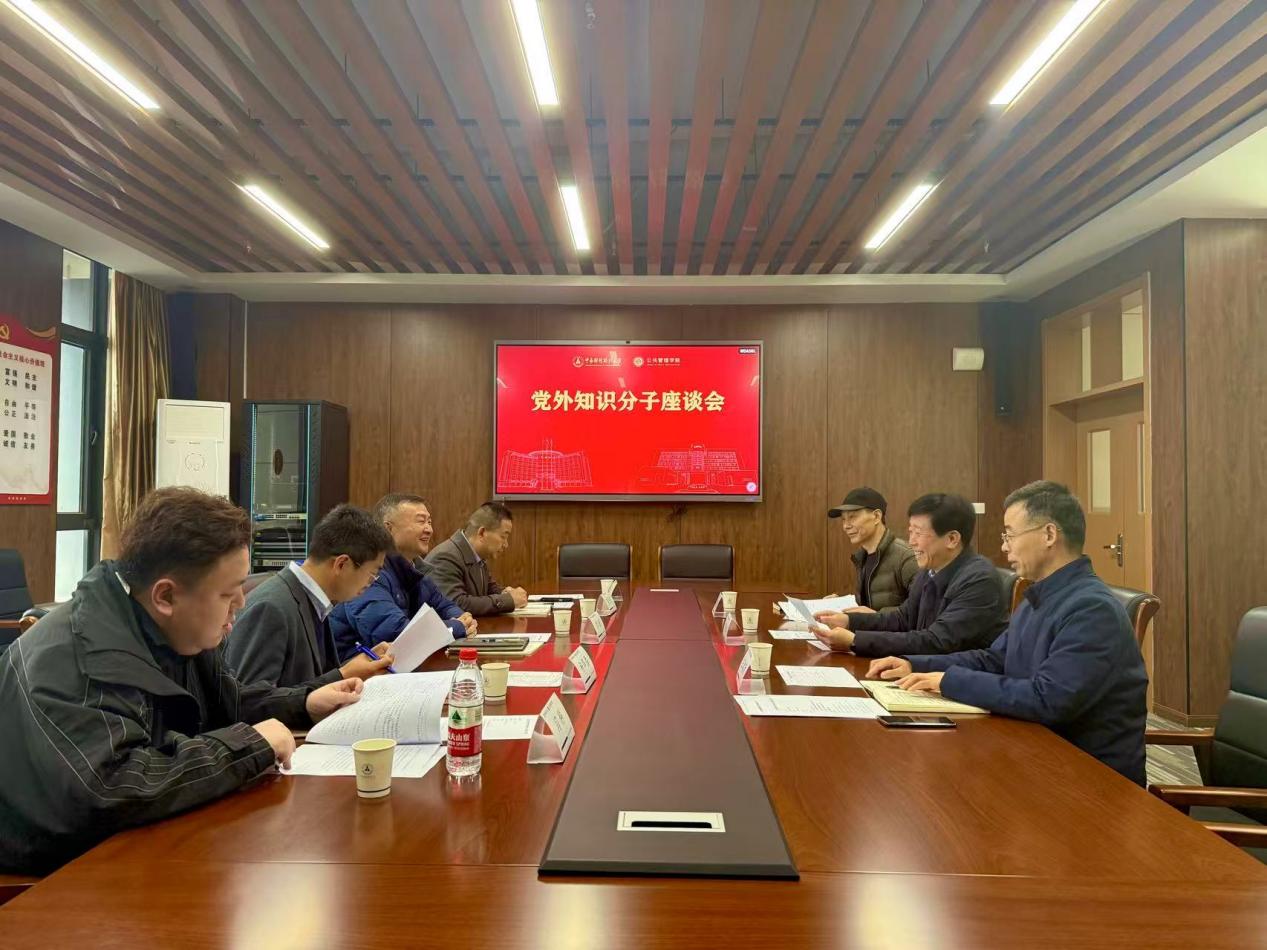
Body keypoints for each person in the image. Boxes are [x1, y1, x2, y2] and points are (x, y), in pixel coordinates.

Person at [0, 487, 363, 874]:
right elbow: (114, 785)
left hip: (136, 843)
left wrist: (303, 702)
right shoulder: (83, 658)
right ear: (166, 596)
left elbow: (227, 703)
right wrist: (250, 745)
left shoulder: (172, 628)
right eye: (227, 593)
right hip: (55, 871)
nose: (241, 603)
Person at [868, 481, 1148, 785]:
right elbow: (995, 659)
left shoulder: (1092, 609)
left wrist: (949, 681)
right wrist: (915, 665)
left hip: (1089, 781)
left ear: (1049, 535)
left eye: (1010, 535)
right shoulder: (1039, 597)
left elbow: (1049, 699)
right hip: (1035, 757)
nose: (1004, 547)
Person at [812, 492, 1006, 657]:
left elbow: (935, 642)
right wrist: (848, 621)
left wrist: (856, 641)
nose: (911, 541)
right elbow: (902, 619)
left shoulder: (979, 580)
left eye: (918, 533)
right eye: (910, 532)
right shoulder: (929, 570)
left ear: (952, 539)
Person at [225, 505, 395, 688]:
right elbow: (250, 699)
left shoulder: (316, 600)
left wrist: (357, 667)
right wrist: (343, 675)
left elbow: (312, 679)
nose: (371, 583)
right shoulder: (271, 608)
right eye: (372, 574)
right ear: (341, 564)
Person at [331, 493, 478, 661]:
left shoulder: (415, 570)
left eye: (429, 522)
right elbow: (396, 635)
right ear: (388, 529)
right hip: (354, 672)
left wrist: (462, 619)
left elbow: (444, 606)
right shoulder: (368, 572)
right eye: (421, 521)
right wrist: (457, 626)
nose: (429, 529)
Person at [425, 501, 528, 616]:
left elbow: (490, 589)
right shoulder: (445, 557)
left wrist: (506, 593)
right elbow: (456, 604)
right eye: (503, 537)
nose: (506, 544)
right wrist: (507, 600)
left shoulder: (477, 556)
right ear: (482, 533)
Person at [827, 486, 917, 613]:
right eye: (843, 519)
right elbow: (869, 607)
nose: (846, 526)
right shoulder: (862, 557)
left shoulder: (906, 556)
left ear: (876, 516)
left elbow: (922, 609)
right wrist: (839, 606)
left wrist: (876, 617)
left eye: (852, 517)